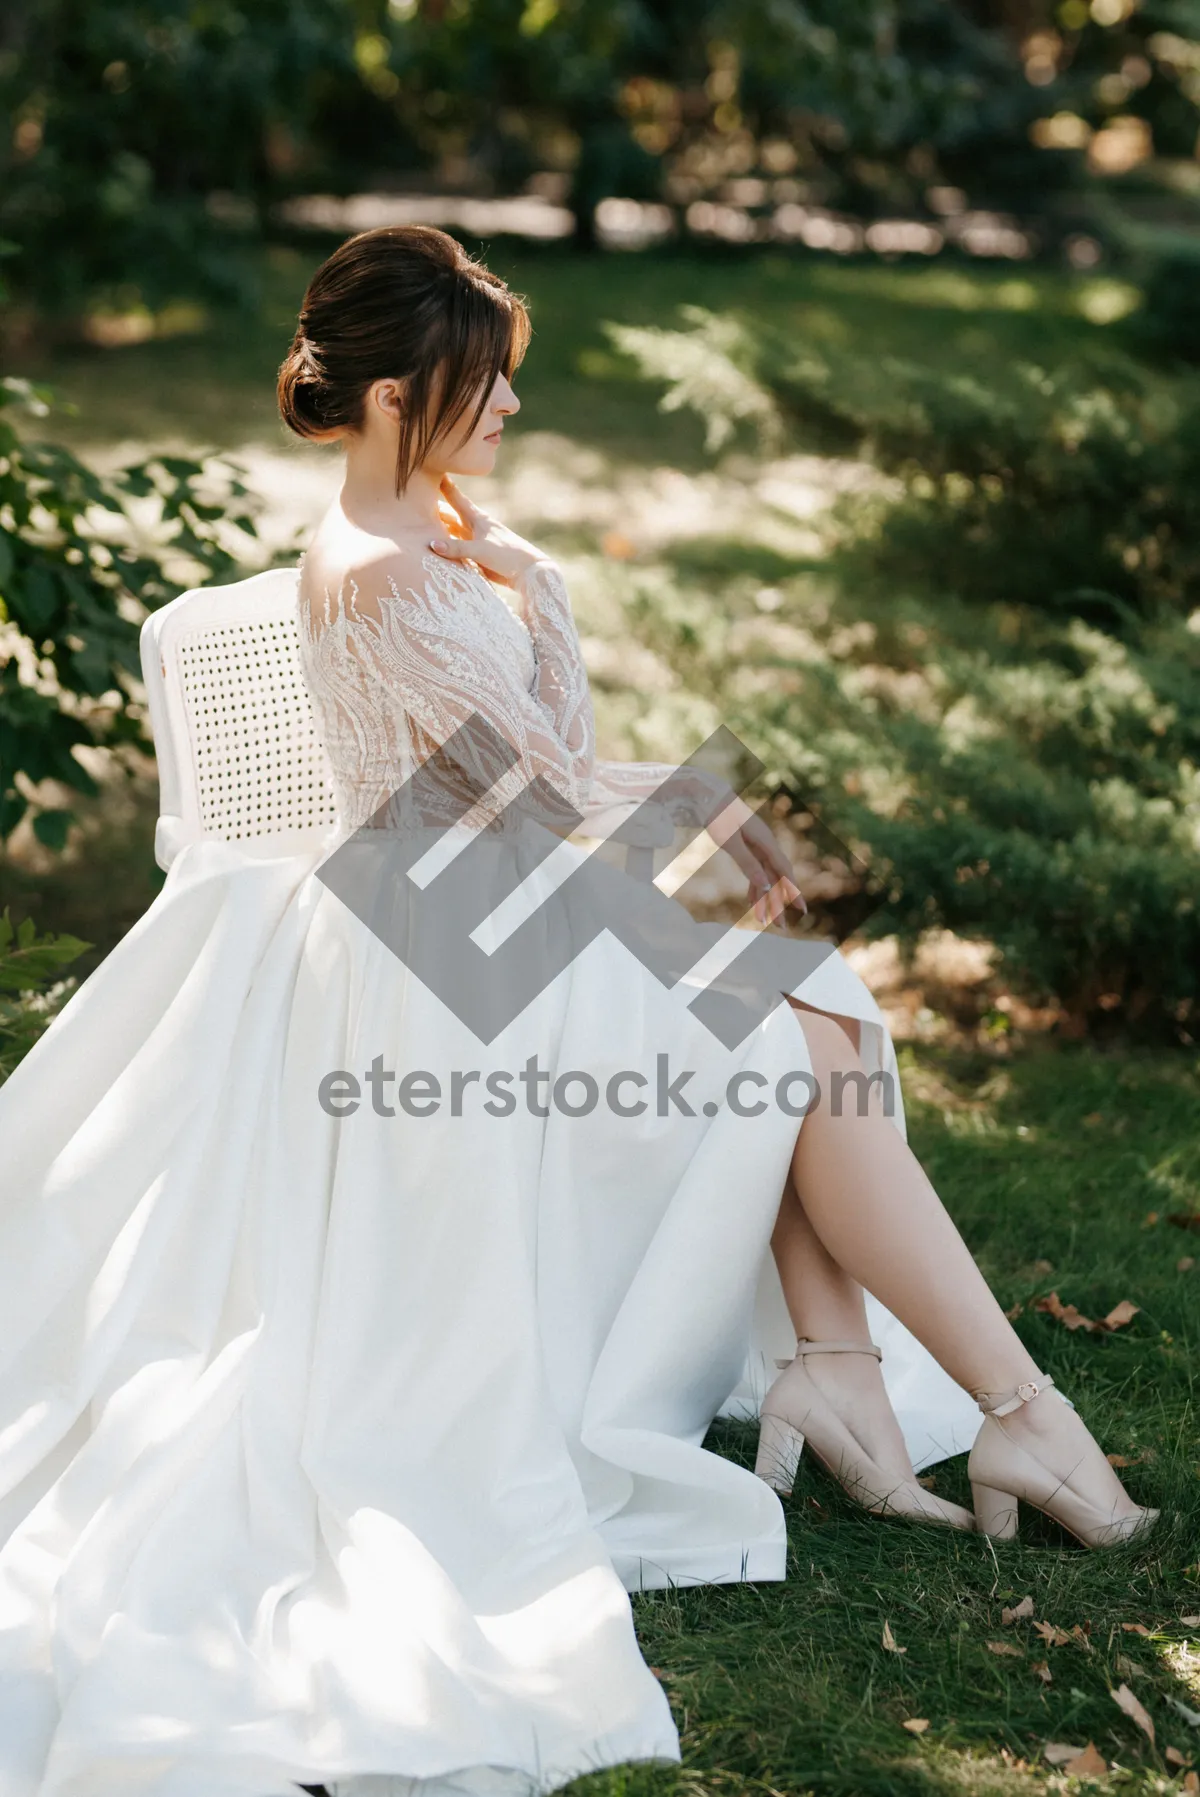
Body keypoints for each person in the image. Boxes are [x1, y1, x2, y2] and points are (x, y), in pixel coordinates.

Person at [0, 224, 1155, 1797]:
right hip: (443, 959)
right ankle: (984, 1401)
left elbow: (546, 768)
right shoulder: (371, 575)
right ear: (404, 391)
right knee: (809, 1027)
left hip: (501, 922)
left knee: (810, 1018)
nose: (514, 414)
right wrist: (686, 790)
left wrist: (535, 594)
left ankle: (872, 1378)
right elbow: (523, 804)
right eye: (490, 388)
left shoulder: (451, 546)